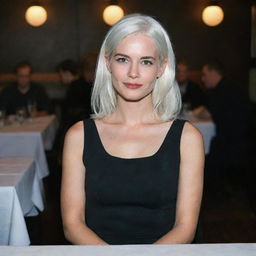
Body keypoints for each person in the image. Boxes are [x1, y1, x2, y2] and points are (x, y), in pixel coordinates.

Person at [61, 14, 204, 245]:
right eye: (123, 59)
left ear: (161, 67)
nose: (133, 73)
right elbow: (72, 224)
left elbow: (185, 227)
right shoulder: (78, 135)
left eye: (146, 61)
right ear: (107, 63)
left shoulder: (187, 138)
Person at [199, 61, 249, 186]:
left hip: (235, 141)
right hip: (239, 138)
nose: (202, 79)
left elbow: (207, 113)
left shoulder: (224, 90)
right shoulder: (226, 87)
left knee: (203, 152)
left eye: (205, 74)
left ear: (213, 73)